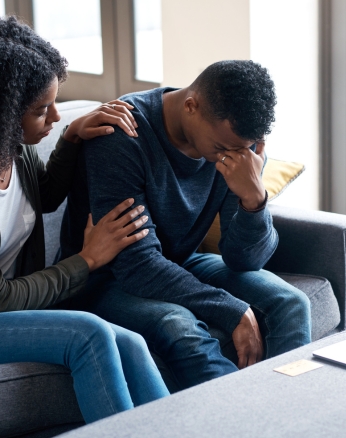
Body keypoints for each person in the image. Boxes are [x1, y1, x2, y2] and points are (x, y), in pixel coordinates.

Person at [0, 5, 170, 423]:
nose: (54, 115)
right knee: (90, 333)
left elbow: (40, 198)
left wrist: (70, 137)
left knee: (133, 343)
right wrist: (86, 260)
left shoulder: (9, 148)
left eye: (54, 103)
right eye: (40, 110)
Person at [58, 60, 312, 390]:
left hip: (178, 261)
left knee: (291, 303)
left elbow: (244, 261)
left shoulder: (236, 145)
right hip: (104, 277)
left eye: (242, 149)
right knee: (180, 326)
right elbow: (137, 265)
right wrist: (231, 310)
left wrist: (254, 200)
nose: (230, 157)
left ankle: (289, 418)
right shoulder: (122, 135)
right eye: (221, 148)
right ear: (191, 106)